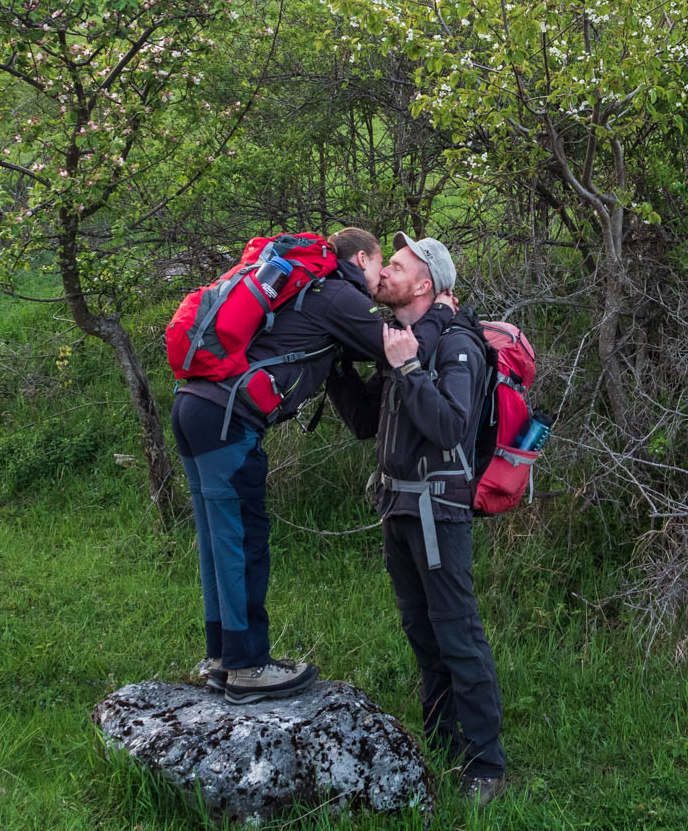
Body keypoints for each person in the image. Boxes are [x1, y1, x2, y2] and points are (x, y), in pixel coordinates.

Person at [171, 227, 444, 704]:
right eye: (383, 265)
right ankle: (246, 666)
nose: (382, 279)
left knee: (219, 541)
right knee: (242, 540)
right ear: (362, 259)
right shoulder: (339, 293)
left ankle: (222, 655)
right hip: (226, 419)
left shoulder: (303, 288)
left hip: (195, 406)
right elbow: (399, 344)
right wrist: (440, 315)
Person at [328, 233, 508, 800]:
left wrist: (408, 371)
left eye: (397, 266)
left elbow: (452, 425)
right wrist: (336, 367)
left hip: (438, 511)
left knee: (457, 634)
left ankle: (486, 769)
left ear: (425, 284)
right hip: (398, 506)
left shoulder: (457, 347)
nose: (385, 273)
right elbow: (364, 422)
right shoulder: (403, 342)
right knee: (421, 633)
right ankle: (441, 741)